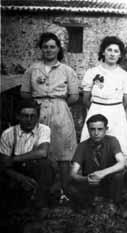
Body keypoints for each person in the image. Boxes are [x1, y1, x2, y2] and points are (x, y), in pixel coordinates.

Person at [20, 32, 78, 198]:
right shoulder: (33, 69)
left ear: (58, 49)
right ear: (41, 49)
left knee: (63, 150)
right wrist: (38, 104)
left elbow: (74, 95)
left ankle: (65, 189)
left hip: (60, 110)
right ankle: (40, 189)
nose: (49, 50)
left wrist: (57, 103)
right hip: (37, 111)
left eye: (52, 46)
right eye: (45, 47)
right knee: (38, 147)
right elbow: (24, 92)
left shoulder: (67, 70)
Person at [69, 114, 127, 207]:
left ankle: (115, 204)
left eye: (100, 129)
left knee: (119, 176)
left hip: (109, 182)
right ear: (88, 130)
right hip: (91, 182)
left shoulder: (112, 141)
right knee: (72, 185)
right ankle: (87, 206)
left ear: (106, 129)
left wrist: (103, 173)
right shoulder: (82, 146)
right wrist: (86, 179)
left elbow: (122, 162)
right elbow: (73, 173)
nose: (96, 133)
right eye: (92, 129)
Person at [81, 36, 127, 156]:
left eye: (116, 51)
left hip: (116, 113)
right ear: (103, 52)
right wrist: (98, 107)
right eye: (109, 50)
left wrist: (113, 108)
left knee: (118, 147)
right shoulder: (92, 72)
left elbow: (126, 101)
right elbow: (85, 99)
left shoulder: (124, 75)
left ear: (120, 55)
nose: (112, 54)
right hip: (96, 110)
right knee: (92, 147)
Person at [0, 100, 55, 209]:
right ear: (18, 117)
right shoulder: (8, 134)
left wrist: (14, 159)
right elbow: (4, 164)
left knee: (46, 164)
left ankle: (41, 204)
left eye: (32, 116)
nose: (29, 120)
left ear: (37, 117)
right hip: (15, 171)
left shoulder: (44, 129)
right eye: (25, 116)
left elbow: (42, 152)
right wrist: (21, 178)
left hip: (33, 167)